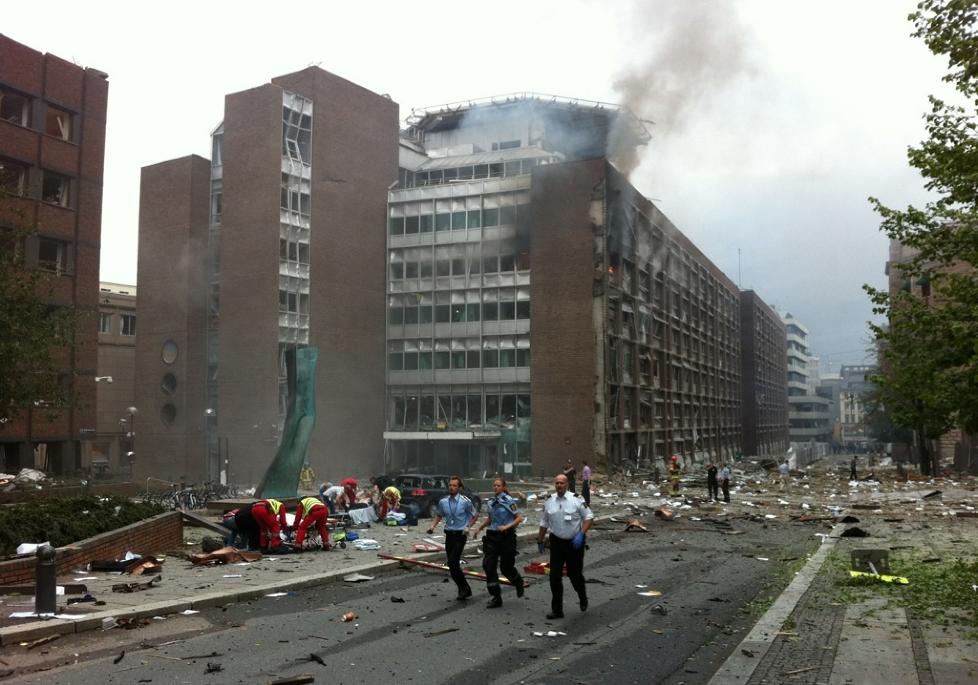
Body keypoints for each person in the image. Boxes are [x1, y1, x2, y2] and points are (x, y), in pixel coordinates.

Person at [537, 473, 593, 619]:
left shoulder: (576, 499)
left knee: (574, 575)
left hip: (574, 543)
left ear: (567, 484)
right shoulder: (549, 501)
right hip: (557, 542)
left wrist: (581, 534)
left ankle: (582, 596)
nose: (559, 485)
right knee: (554, 576)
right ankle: (557, 610)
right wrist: (540, 540)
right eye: (556, 483)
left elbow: (588, 517)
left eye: (562, 483)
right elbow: (544, 523)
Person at [471, 478, 525, 608]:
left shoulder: (509, 500)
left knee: (506, 568)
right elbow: (490, 518)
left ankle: (518, 582)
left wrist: (507, 527)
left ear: (503, 487)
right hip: (493, 536)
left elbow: (519, 518)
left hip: (507, 537)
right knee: (488, 565)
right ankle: (496, 596)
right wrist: (479, 528)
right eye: (494, 485)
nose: (495, 487)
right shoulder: (491, 502)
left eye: (498, 485)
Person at [426, 476, 479, 601]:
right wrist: (432, 527)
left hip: (460, 535)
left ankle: (464, 588)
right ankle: (464, 588)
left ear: (459, 488)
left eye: (454, 485)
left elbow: (475, 515)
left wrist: (468, 526)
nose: (451, 487)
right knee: (451, 564)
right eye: (450, 485)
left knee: (453, 562)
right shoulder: (443, 502)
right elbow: (439, 515)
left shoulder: (465, 501)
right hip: (449, 535)